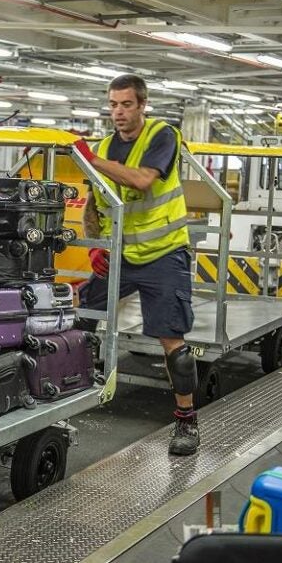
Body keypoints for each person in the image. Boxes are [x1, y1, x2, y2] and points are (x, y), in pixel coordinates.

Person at [73, 74, 199, 456]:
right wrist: (95, 243)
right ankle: (75, 387)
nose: (119, 112)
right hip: (121, 256)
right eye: (113, 105)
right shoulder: (104, 145)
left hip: (164, 255)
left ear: (142, 105)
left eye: (126, 105)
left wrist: (93, 160)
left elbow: (143, 181)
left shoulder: (163, 136)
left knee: (172, 341)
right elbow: (94, 202)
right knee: (80, 315)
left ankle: (187, 422)